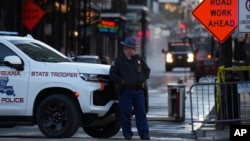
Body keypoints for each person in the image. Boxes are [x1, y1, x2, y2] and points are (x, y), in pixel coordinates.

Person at [109, 37, 151, 140]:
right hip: (125, 92)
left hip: (138, 91)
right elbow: (112, 74)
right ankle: (127, 134)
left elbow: (147, 71)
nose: (129, 50)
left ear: (134, 50)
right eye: (127, 48)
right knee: (125, 114)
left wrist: (142, 78)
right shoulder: (118, 61)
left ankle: (144, 134)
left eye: (131, 48)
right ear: (124, 49)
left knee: (141, 113)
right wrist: (121, 81)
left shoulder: (139, 60)